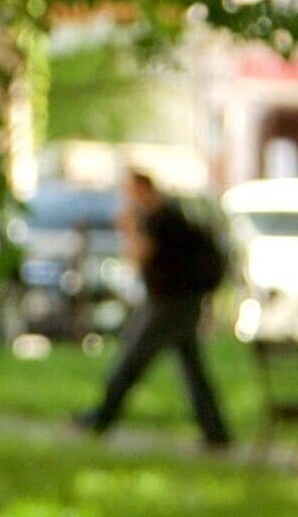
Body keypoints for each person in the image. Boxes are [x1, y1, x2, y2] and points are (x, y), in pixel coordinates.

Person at [76, 171, 234, 448]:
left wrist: (127, 227)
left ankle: (103, 416)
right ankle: (215, 431)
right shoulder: (171, 215)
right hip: (181, 302)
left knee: (131, 359)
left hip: (168, 304)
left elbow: (139, 255)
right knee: (192, 368)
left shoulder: (159, 219)